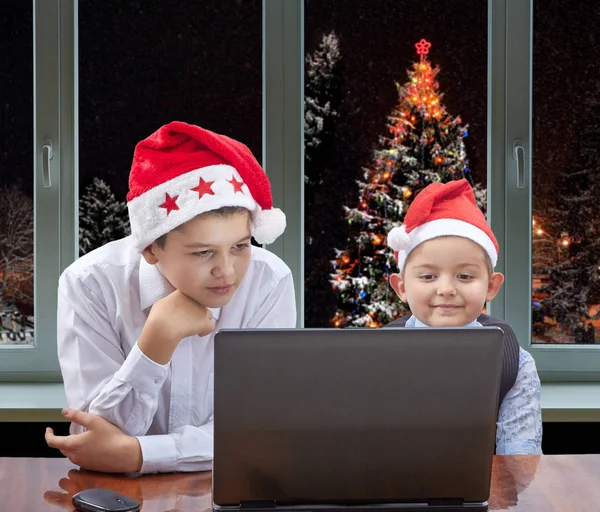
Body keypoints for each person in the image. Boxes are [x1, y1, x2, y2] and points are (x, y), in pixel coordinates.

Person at [45, 121, 297, 474]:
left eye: (240, 246)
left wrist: (140, 455)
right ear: (151, 248)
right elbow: (98, 435)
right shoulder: (89, 284)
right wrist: (155, 342)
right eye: (203, 253)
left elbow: (259, 428)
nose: (227, 271)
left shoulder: (269, 281)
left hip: (234, 485)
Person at [385, 179, 542, 455]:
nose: (446, 289)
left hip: (483, 496)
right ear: (402, 287)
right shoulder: (373, 356)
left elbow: (520, 456)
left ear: (491, 286)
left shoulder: (514, 362)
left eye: (465, 276)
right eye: (428, 276)